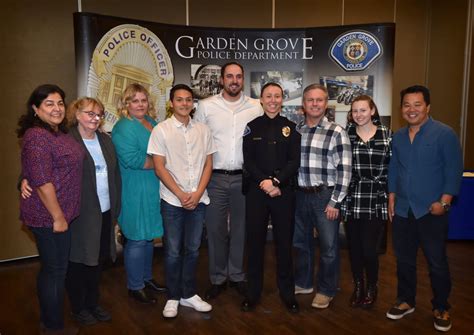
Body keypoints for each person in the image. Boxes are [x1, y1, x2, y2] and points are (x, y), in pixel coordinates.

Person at [21, 97, 122, 326]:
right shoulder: (65, 139)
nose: (94, 119)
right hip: (79, 212)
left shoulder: (106, 141)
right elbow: (36, 165)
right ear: (76, 115)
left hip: (105, 209)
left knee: (97, 260)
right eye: (89, 113)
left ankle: (93, 303)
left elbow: (115, 175)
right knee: (77, 261)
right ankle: (79, 307)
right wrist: (23, 179)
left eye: (99, 115)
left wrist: (116, 208)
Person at [386, 85, 463, 332]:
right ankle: (406, 300)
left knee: (437, 262)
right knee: (404, 260)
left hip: (432, 212)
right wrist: (391, 196)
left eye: (417, 104)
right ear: (401, 109)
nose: (411, 109)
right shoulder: (397, 136)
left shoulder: (444, 134)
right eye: (407, 104)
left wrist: (444, 201)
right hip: (403, 210)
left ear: (427, 107)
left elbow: (453, 170)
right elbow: (394, 169)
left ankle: (441, 306)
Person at [17, 84, 85, 333]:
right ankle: (54, 328)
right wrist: (58, 217)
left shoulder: (57, 133)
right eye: (49, 103)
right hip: (48, 216)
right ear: (36, 109)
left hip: (62, 212)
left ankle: (49, 321)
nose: (56, 108)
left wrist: (23, 177)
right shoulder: (37, 136)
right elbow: (43, 182)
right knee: (55, 272)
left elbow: (34, 167)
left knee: (52, 270)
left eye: (59, 103)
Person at [194, 62, 263, 300]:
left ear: (243, 80)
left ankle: (236, 275)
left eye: (238, 76)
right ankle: (217, 278)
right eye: (229, 76)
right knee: (215, 230)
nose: (234, 80)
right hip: (214, 178)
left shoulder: (256, 106)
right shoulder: (205, 106)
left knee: (241, 230)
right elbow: (198, 141)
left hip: (245, 179)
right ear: (222, 79)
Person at [147, 84, 215, 318]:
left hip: (198, 200)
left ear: (193, 103)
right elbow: (159, 167)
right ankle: (173, 297)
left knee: (193, 250)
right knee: (173, 251)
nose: (184, 104)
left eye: (188, 100)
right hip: (172, 201)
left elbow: (209, 164)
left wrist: (197, 194)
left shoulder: (204, 130)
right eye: (179, 100)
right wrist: (180, 194)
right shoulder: (161, 130)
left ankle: (188, 294)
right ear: (171, 103)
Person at [241, 82, 301, 313]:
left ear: (282, 99)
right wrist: (265, 183)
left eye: (277, 96)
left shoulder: (291, 128)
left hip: (283, 193)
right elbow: (249, 161)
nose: (273, 100)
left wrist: (276, 182)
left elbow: (293, 162)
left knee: (284, 245)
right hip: (257, 193)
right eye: (269, 96)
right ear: (261, 99)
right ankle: (252, 293)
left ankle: (288, 293)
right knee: (255, 244)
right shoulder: (251, 127)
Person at [293, 84, 352, 309]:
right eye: (310, 100)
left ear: (326, 104)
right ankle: (304, 282)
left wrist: (335, 201)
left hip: (325, 196)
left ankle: (326, 290)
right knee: (301, 243)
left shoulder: (336, 131)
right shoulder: (296, 130)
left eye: (319, 100)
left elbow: (345, 170)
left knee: (328, 247)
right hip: (300, 194)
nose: (315, 104)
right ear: (304, 104)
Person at [111, 83, 165, 304]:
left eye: (143, 100)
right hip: (135, 188)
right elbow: (133, 160)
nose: (140, 104)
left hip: (153, 186)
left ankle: (146, 278)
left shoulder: (152, 122)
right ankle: (135, 286)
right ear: (126, 104)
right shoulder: (123, 127)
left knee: (148, 236)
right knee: (136, 238)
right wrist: (163, 162)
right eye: (135, 100)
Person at [341, 95, 391, 308]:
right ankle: (358, 285)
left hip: (377, 198)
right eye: (355, 111)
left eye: (363, 110)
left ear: (372, 110)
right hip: (352, 198)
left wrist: (392, 197)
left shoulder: (387, 136)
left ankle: (372, 286)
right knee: (354, 248)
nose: (359, 115)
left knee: (370, 249)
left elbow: (393, 170)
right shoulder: (346, 136)